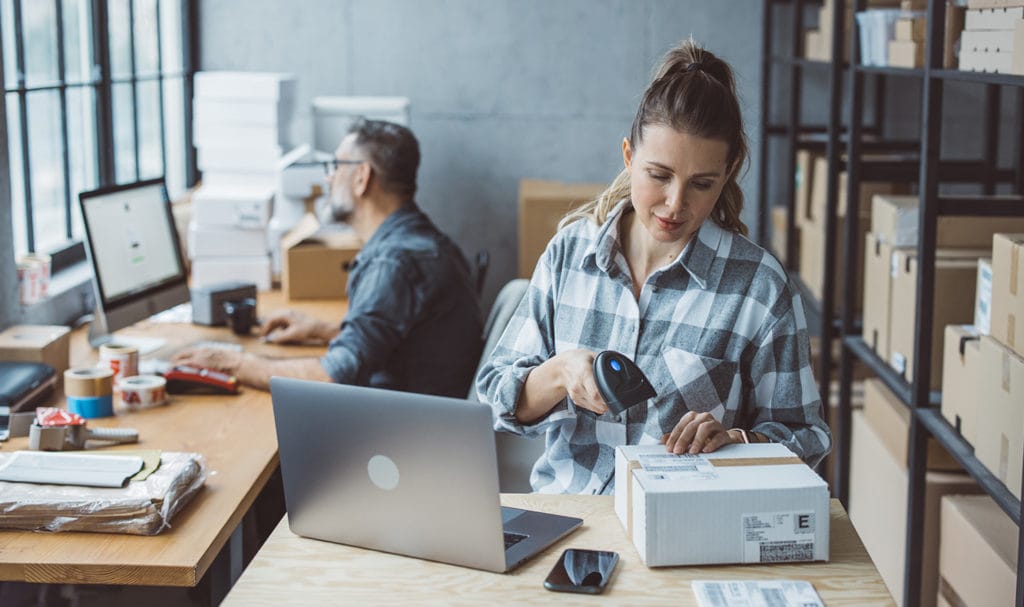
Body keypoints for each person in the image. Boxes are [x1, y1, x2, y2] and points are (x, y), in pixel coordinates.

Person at [476, 40, 832, 495]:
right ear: (629, 156)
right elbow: (496, 401)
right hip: (570, 520)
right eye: (659, 176)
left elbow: (806, 437)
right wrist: (561, 372)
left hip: (683, 531)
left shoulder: (757, 287)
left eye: (701, 184)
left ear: (729, 172)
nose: (675, 204)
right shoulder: (570, 254)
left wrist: (739, 442)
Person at [174, 119, 483, 397]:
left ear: (362, 177)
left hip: (396, 437)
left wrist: (232, 361)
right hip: (424, 415)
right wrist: (322, 330)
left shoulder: (393, 263)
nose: (328, 179)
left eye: (336, 167)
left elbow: (333, 378)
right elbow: (406, 341)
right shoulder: (425, 242)